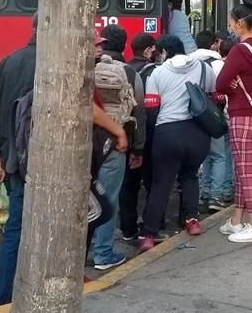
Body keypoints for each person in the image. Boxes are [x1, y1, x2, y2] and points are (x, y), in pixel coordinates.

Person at [0, 16, 40, 306]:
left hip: (15, 160)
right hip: (45, 163)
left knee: (15, 230)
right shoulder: (60, 62)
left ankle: (1, 297)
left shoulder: (8, 62)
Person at [138, 34, 213, 250]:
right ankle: (192, 220)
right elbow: (211, 94)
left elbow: (151, 108)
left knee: (162, 183)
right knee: (190, 176)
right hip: (198, 133)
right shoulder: (203, 68)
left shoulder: (158, 73)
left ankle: (149, 234)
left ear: (162, 52)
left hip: (168, 133)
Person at [215, 0, 252, 243]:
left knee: (246, 172)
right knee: (242, 168)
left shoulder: (239, 50)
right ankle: (237, 221)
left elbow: (220, 84)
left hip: (242, 116)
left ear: (239, 24)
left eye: (230, 23)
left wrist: (233, 86)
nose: (230, 28)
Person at [91, 26, 146, 270]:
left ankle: (81, 251)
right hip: (114, 145)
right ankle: (103, 253)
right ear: (124, 45)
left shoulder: (82, 70)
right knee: (108, 199)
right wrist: (138, 149)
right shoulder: (129, 72)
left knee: (86, 197)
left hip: (85, 144)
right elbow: (139, 113)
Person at [119, 32, 159, 241]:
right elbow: (142, 113)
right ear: (148, 51)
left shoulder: (124, 70)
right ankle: (152, 225)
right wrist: (140, 147)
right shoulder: (151, 72)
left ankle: (128, 227)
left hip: (121, 137)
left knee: (128, 185)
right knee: (152, 181)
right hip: (144, 138)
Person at [192, 30, 233, 211]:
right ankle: (217, 195)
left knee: (206, 156)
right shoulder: (218, 65)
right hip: (214, 116)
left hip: (194, 116)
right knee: (219, 155)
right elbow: (226, 91)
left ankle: (205, 192)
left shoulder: (188, 61)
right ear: (214, 44)